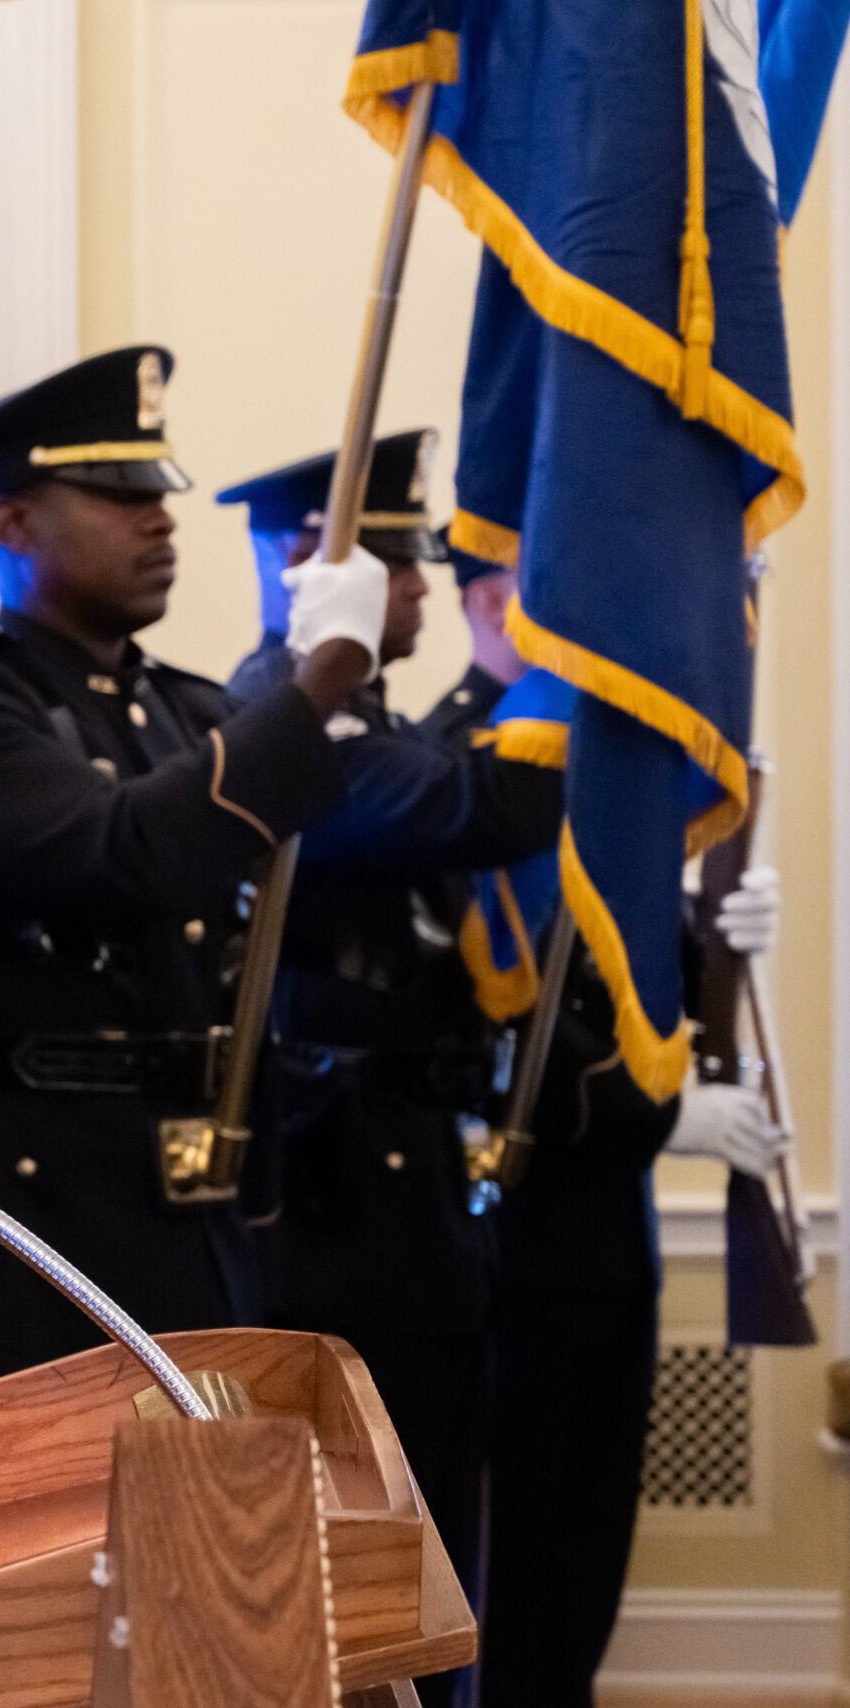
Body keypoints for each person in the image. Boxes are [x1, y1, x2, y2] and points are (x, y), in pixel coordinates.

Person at [0, 345, 384, 1388]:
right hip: (43, 1229)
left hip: (194, 1216)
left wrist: (310, 676)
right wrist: (314, 682)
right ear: (9, 524)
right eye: (116, 491)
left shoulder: (183, 705)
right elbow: (125, 852)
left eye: (158, 489)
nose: (160, 517)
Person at [213, 438, 563, 1707]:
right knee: (354, 1555)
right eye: (395, 558)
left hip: (403, 1186)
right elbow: (481, 812)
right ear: (308, 562)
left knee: (424, 1532)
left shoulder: (376, 722)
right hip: (331, 1198)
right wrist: (584, 675)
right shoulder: (277, 726)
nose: (417, 585)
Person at [425, 536, 787, 1708]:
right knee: (514, 1578)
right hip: (511, 1239)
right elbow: (498, 1013)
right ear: (489, 600)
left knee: (583, 1569)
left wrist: (706, 927)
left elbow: (625, 968)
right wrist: (662, 1111)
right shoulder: (462, 766)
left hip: (607, 1243)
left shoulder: (596, 760)